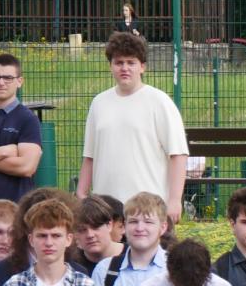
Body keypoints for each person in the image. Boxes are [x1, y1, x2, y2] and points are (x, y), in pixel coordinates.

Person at [78, 35, 187, 228]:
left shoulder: (159, 102)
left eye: (131, 62)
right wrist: (81, 194)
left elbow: (178, 154)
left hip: (147, 209)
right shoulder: (99, 103)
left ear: (142, 67)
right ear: (111, 66)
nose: (125, 68)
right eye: (119, 62)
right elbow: (90, 156)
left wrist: (174, 200)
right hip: (106, 210)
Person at [0, 53, 42, 205]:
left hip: (15, 207)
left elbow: (27, 167)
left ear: (19, 81)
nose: (1, 83)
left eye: (8, 78)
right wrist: (5, 151)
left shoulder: (28, 119)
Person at [72, 196, 124, 269]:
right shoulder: (71, 265)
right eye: (82, 230)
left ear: (109, 225)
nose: (90, 235)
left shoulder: (133, 256)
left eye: (95, 227)